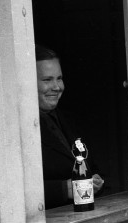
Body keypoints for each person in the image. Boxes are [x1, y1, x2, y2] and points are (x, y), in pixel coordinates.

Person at [36, 45, 104, 209]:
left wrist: (95, 180)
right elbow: (9, 190)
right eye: (47, 80)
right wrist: (62, 190)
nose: (57, 87)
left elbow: (91, 167)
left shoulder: (69, 119)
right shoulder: (14, 128)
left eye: (59, 78)